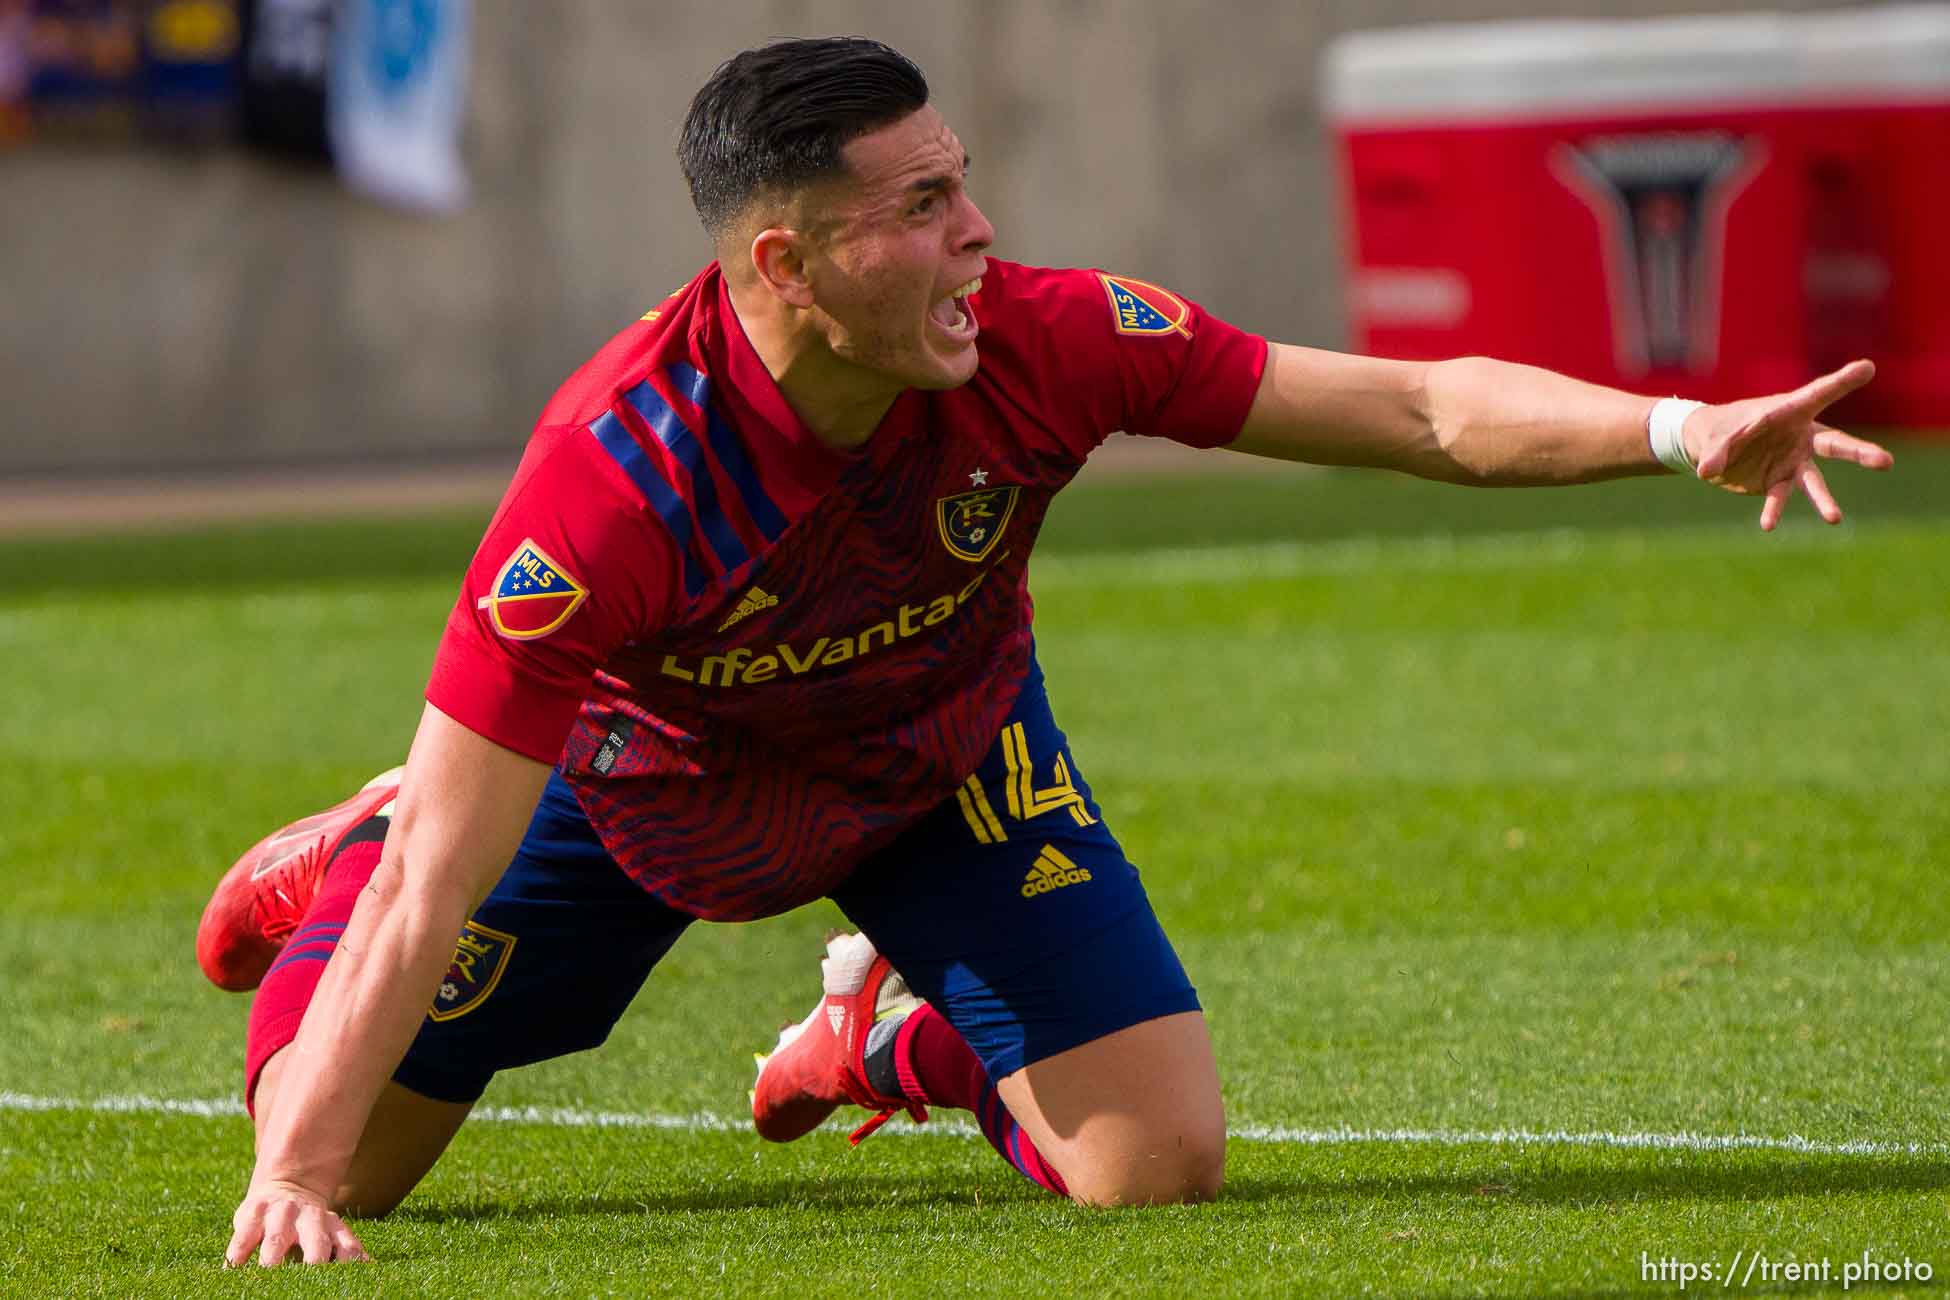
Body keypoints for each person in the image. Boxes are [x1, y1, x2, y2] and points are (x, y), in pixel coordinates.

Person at [208, 35, 1893, 1268]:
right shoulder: (614, 485)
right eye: (925, 205)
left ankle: (891, 1036)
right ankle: (337, 855)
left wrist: (1680, 428)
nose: (978, 232)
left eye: (966, 185)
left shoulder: (1051, 339)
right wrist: (288, 1170)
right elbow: (453, 875)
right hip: (647, 794)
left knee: (1155, 1166)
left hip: (938, 760)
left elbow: (1417, 406)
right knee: (337, 1165)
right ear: (787, 263)